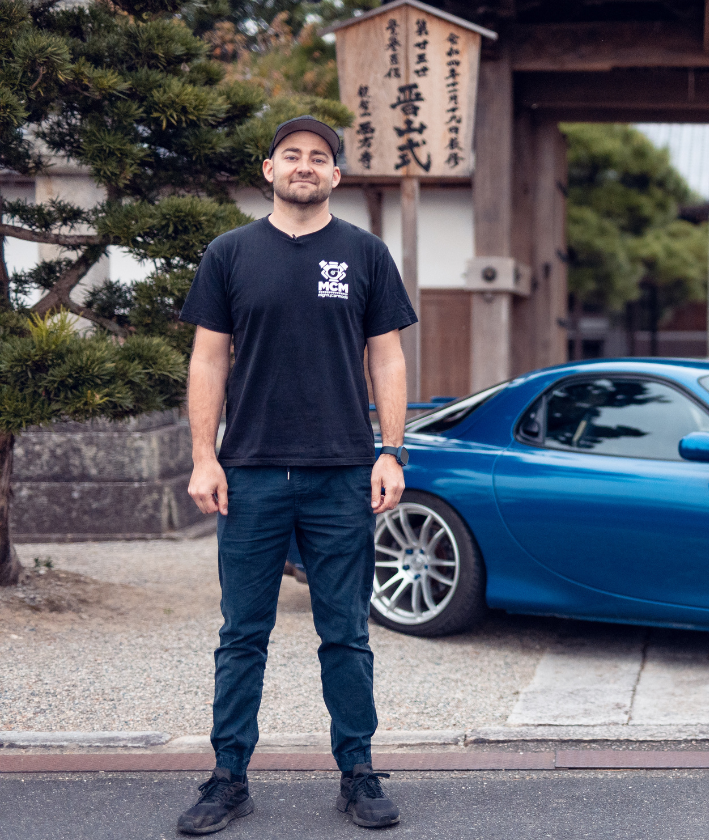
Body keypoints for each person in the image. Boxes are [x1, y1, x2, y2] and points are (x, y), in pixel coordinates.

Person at [175, 115, 417, 834]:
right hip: (249, 471)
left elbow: (388, 358)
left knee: (345, 631)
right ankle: (228, 777)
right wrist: (202, 455)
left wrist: (391, 450)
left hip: (342, 469)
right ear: (269, 170)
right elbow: (207, 359)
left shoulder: (365, 254)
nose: (305, 165)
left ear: (336, 176)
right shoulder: (229, 253)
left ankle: (359, 771)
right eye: (292, 156)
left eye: (319, 157)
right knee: (242, 633)